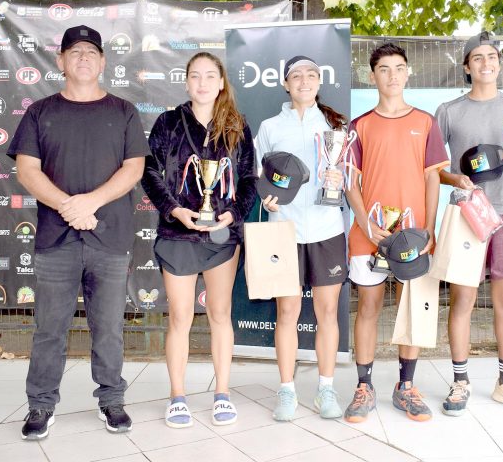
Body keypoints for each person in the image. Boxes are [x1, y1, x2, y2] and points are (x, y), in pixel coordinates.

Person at [8, 25, 150, 440]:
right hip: (56, 241)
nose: (83, 57)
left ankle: (112, 400)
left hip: (110, 238)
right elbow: (27, 171)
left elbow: (134, 168)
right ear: (61, 61)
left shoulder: (123, 111)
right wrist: (68, 207)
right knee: (49, 328)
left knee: (109, 328)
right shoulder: (40, 112)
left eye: (91, 52)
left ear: (103, 62)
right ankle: (40, 404)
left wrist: (89, 203)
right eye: (74, 51)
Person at [140, 52, 257, 428]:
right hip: (178, 234)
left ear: (221, 83)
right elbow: (149, 171)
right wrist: (174, 210)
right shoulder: (168, 123)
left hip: (222, 236)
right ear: (187, 81)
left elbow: (249, 179)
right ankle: (178, 397)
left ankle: (222, 394)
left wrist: (233, 213)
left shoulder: (237, 125)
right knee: (180, 317)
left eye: (210, 76)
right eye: (195, 76)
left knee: (221, 314)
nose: (203, 83)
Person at [435, 31, 503, 416]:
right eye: (477, 58)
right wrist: (456, 179)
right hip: (467, 214)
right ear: (466, 67)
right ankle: (460, 382)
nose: (486, 63)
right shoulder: (449, 111)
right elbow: (433, 169)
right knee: (462, 300)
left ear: (499, 64)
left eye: (492, 57)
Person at [343, 43, 449, 423]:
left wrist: (429, 228)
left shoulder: (425, 122)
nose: (392, 75)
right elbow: (350, 183)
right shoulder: (359, 126)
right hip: (368, 236)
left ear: (407, 73)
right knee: (368, 308)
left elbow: (433, 178)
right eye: (384, 69)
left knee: (411, 309)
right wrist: (364, 222)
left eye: (398, 68)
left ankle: (406, 386)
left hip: (413, 237)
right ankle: (364, 386)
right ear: (372, 76)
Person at [255, 56, 348, 421]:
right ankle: (287, 391)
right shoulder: (270, 127)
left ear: (319, 82)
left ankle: (326, 389)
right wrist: (266, 196)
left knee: (327, 313)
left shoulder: (335, 125)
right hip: (284, 230)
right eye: (296, 76)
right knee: (287, 312)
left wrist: (341, 180)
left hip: (327, 229)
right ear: (286, 83)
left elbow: (350, 173)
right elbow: (258, 174)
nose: (304, 81)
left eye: (311, 75)